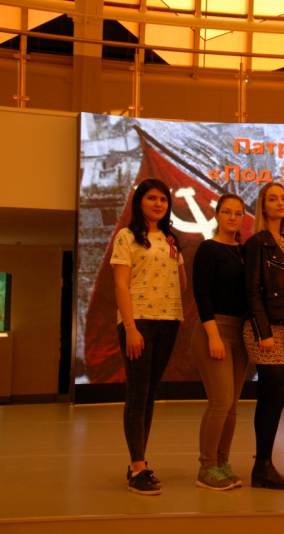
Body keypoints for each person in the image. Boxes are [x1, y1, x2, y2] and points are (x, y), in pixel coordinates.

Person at [112, 178, 186, 496]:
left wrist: (175, 252)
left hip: (169, 320)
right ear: (139, 202)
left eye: (163, 200)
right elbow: (120, 284)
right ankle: (137, 467)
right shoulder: (127, 236)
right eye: (152, 198)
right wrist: (130, 328)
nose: (158, 204)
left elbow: (181, 284)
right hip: (139, 321)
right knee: (138, 393)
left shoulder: (170, 239)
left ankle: (140, 462)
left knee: (150, 392)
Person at [244, 182, 284, 490]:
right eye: (273, 199)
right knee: (275, 392)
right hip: (262, 328)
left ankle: (262, 466)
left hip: (280, 326)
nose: (280, 203)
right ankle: (262, 465)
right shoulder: (258, 242)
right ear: (263, 207)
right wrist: (263, 332)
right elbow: (252, 292)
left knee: (272, 394)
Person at [191, 194, 249, 491]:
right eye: (227, 212)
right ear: (217, 215)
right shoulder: (208, 249)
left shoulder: (244, 252)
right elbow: (201, 294)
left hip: (240, 333)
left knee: (232, 405)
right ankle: (206, 467)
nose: (232, 217)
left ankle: (222, 462)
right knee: (220, 402)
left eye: (237, 213)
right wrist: (213, 335)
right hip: (214, 330)